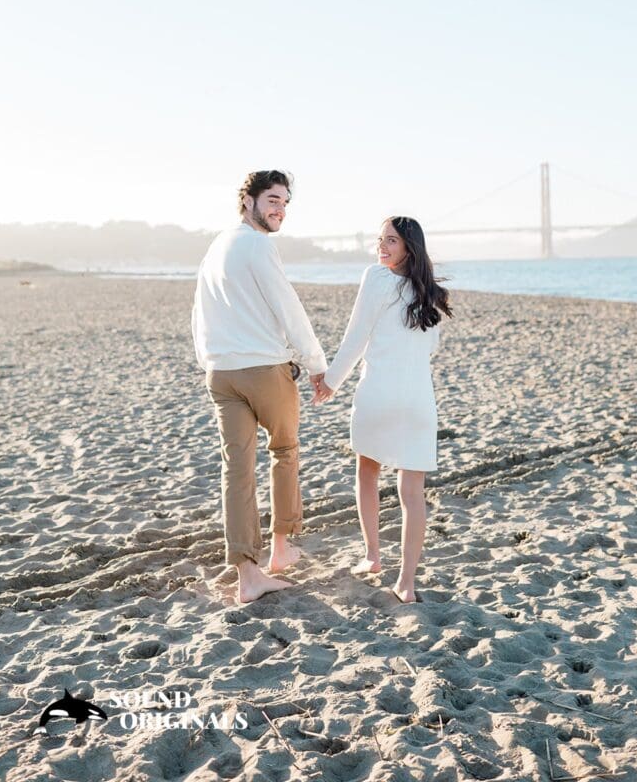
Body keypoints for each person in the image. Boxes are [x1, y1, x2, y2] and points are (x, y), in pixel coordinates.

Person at [192, 170, 327, 603]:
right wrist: (316, 364)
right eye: (272, 199)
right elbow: (288, 307)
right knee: (284, 451)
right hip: (264, 369)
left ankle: (248, 574)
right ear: (247, 200)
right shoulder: (257, 245)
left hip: (221, 373)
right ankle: (282, 548)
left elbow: (200, 311)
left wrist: (209, 361)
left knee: (237, 470)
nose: (279, 209)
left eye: (285, 202)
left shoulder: (217, 246)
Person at [315, 216, 452, 603]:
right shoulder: (432, 295)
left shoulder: (375, 278)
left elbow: (355, 336)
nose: (382, 246)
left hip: (378, 395)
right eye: (380, 239)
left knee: (367, 473)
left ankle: (373, 557)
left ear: (409, 246)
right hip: (418, 401)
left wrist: (331, 382)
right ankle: (406, 583)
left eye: (391, 240)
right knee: (412, 493)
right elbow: (431, 349)